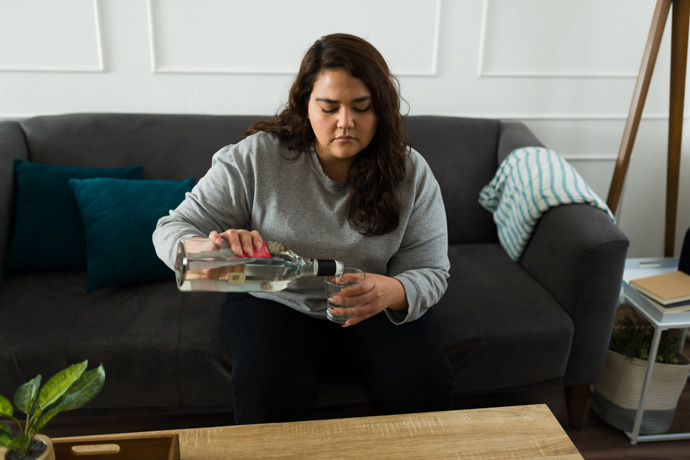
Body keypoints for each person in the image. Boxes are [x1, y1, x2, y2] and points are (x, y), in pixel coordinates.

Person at [153, 33, 455, 424]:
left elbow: (431, 270)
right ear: (304, 106)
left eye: (361, 107)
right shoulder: (256, 158)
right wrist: (211, 248)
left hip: (372, 301)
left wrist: (392, 290)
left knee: (423, 384)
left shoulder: (410, 173)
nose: (345, 122)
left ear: (382, 111)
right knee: (270, 395)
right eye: (328, 108)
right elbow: (171, 229)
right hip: (274, 299)